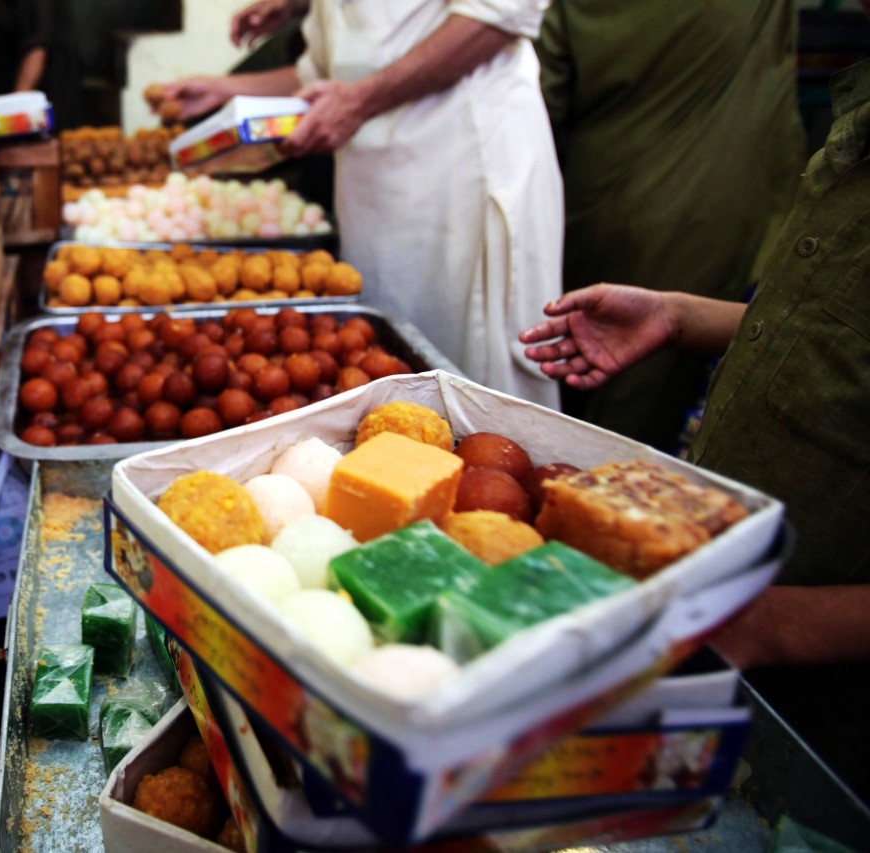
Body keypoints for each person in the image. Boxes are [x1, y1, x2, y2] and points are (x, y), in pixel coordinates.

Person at [519, 52, 870, 795]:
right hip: (721, 620)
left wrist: (768, 622)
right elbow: (833, 336)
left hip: (825, 713)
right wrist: (682, 316)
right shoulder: (857, 110)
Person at [157, 0, 564, 409]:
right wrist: (223, 91)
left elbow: (498, 15)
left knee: (474, 383)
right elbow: (330, 73)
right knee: (392, 373)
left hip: (459, 167)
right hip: (373, 189)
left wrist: (361, 101)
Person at [535, 0, 807, 452]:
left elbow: (542, 99)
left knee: (590, 365)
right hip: (717, 203)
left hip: (605, 199)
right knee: (640, 391)